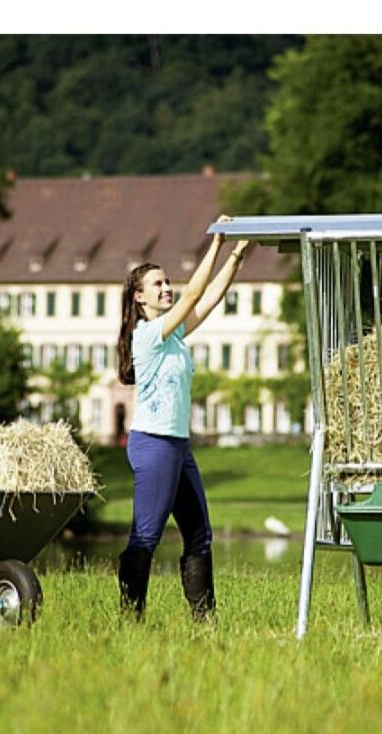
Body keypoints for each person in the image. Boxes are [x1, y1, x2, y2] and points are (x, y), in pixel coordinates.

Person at [115, 215, 252, 621]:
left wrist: (237, 255)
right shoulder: (148, 335)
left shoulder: (173, 333)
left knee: (199, 535)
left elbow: (208, 299)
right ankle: (131, 617)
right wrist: (216, 242)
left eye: (167, 281)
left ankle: (204, 619)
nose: (166, 288)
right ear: (139, 298)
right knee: (146, 535)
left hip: (178, 446)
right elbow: (193, 296)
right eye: (157, 284)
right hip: (154, 445)